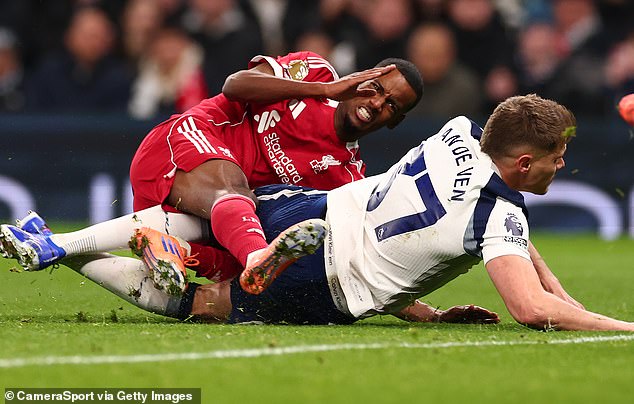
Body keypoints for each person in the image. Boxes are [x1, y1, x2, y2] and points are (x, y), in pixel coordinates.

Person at [7, 94, 631, 331]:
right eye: (556, 156)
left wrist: (554, 289)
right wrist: (619, 327)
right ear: (521, 163)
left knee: (214, 216)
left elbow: (513, 226)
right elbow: (530, 310)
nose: (563, 165)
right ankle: (68, 258)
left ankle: (59, 242)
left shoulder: (461, 131)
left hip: (318, 210)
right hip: (328, 281)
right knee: (203, 301)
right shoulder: (496, 218)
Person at [1, 50, 423, 296]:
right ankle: (256, 257)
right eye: (377, 88)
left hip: (204, 211)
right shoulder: (315, 72)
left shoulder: (347, 176)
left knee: (231, 278)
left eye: (392, 106)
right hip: (184, 144)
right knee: (239, 198)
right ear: (362, 78)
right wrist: (324, 90)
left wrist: (421, 309)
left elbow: (358, 256)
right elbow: (235, 85)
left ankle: (53, 243)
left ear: (395, 122)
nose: (377, 103)